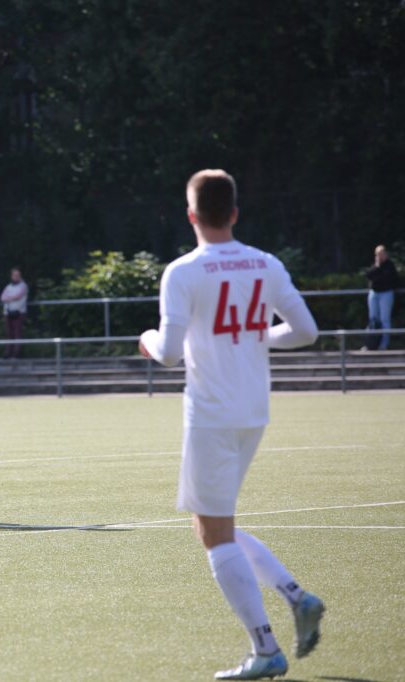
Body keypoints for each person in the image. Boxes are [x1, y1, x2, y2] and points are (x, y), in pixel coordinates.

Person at [139, 170, 324, 681]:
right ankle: (296, 596)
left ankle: (266, 648)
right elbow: (306, 331)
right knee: (214, 523)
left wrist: (146, 338)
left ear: (191, 215)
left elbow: (169, 353)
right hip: (253, 411)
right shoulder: (265, 263)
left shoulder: (183, 271)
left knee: (214, 534)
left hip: (212, 414)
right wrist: (260, 336)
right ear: (235, 213)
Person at [364, 245, 398, 350]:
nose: (380, 256)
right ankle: (371, 344)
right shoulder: (375, 265)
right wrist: (377, 267)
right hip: (374, 293)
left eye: (382, 254)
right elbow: (369, 275)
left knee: (384, 319)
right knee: (373, 319)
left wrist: (377, 276)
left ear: (385, 254)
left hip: (386, 294)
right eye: (378, 254)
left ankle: (383, 344)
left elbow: (388, 278)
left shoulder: (389, 265)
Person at [0, 267, 28, 359]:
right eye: (14, 275)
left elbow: (18, 296)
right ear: (11, 276)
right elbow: (2, 297)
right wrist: (11, 298)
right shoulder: (8, 286)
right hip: (8, 312)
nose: (16, 277)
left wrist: (9, 298)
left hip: (19, 312)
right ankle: (8, 352)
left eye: (18, 275)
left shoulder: (23, 286)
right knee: (8, 333)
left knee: (17, 332)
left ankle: (17, 352)